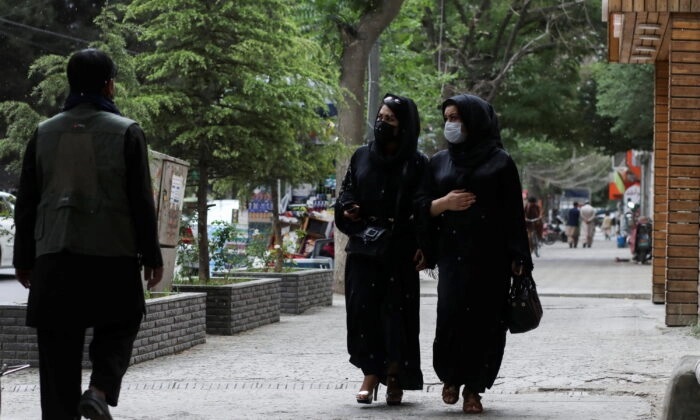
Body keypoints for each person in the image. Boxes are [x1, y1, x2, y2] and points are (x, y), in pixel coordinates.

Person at [13, 48, 163, 420]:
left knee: (56, 359)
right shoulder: (127, 132)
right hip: (112, 259)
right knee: (123, 321)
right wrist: (152, 256)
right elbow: (142, 201)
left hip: (53, 259)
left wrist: (23, 259)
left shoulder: (43, 133)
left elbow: (27, 202)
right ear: (109, 85)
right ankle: (99, 389)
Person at [417, 94, 533, 414]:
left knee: (486, 323)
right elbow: (422, 205)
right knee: (450, 317)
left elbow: (513, 214)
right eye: (447, 118)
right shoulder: (439, 161)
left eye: (456, 117)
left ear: (473, 120)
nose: (450, 124)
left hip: (491, 259)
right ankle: (451, 378)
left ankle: (474, 389)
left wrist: (519, 258)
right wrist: (443, 207)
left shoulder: (500, 161)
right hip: (452, 256)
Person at [334, 93, 427, 406]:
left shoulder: (417, 162)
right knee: (362, 312)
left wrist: (423, 245)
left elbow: (423, 207)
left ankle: (394, 375)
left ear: (404, 126)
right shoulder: (362, 156)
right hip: (364, 247)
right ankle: (369, 373)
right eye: (380, 117)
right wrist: (348, 207)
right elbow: (348, 189)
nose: (382, 123)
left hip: (399, 251)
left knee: (396, 315)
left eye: (390, 119)